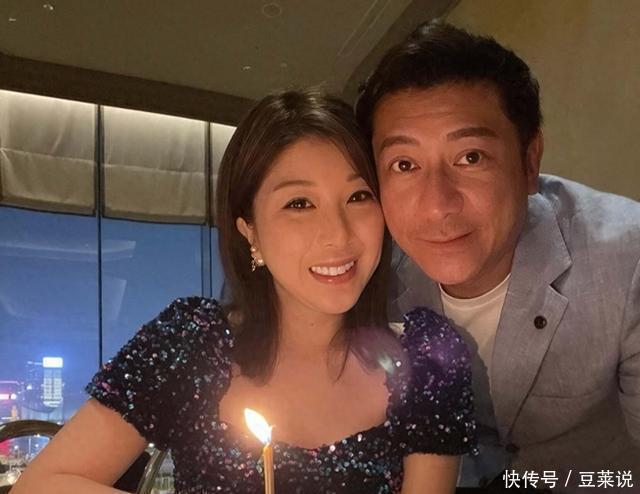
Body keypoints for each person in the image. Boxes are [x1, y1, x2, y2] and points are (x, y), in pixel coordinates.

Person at [12, 89, 476, 494]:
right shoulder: (192, 343)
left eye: (358, 197)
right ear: (249, 230)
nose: (338, 234)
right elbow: (42, 485)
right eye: (299, 203)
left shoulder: (426, 360)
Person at [355, 21, 640, 492]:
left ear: (530, 161)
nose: (437, 206)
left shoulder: (625, 260)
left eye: (470, 157)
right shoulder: (371, 276)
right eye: (404, 165)